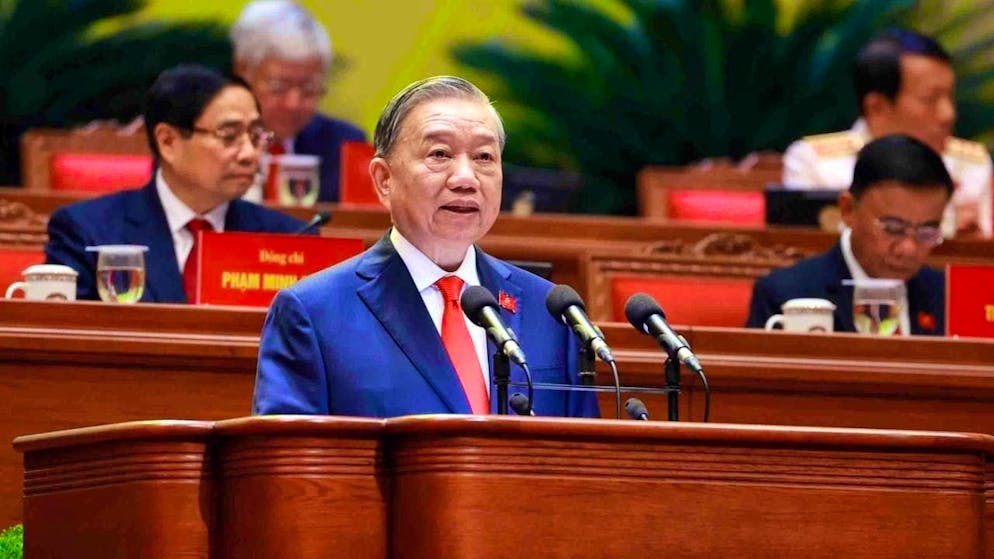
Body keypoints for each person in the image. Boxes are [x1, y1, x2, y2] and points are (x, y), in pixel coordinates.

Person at [253, 76, 600, 418]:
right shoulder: (314, 312)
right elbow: (288, 453)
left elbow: (582, 450)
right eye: (440, 154)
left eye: (483, 157)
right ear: (384, 180)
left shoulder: (551, 312)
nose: (465, 178)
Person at [45, 64, 308, 303]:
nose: (249, 154)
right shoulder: (88, 231)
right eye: (229, 136)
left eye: (255, 135)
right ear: (168, 141)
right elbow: (65, 332)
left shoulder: (290, 240)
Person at [782, 28, 992, 238]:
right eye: (930, 99)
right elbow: (810, 247)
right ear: (877, 107)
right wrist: (945, 223)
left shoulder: (970, 164)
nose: (948, 114)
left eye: (950, 96)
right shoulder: (814, 162)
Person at [748, 134, 950, 335]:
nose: (908, 249)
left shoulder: (948, 298)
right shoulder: (785, 295)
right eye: (893, 228)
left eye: (927, 231)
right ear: (848, 210)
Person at [231, 0, 366, 202]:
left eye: (308, 89)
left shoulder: (342, 145)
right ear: (243, 71)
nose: (293, 103)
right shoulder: (210, 142)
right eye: (279, 87)